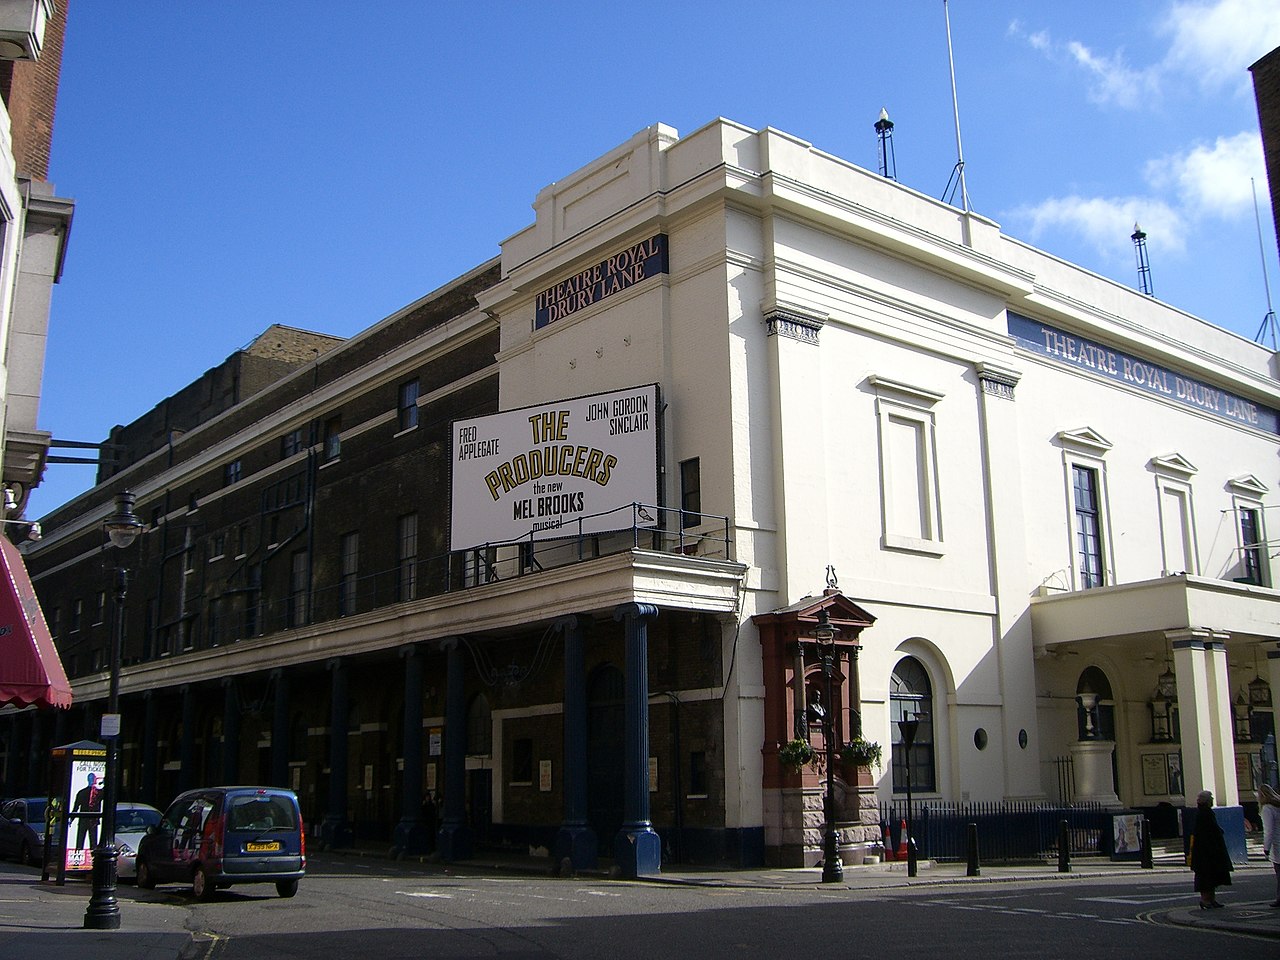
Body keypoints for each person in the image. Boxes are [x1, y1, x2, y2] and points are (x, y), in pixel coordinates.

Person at [1190, 789, 1232, 909]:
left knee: (1212, 876)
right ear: (1207, 801)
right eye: (1211, 799)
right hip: (1206, 852)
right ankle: (1205, 900)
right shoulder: (1204, 813)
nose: (1213, 800)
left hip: (1209, 851)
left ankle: (1211, 899)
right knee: (1206, 877)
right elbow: (1206, 833)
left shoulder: (1206, 812)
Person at [1260, 783, 1280, 909]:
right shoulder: (1278, 806)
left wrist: (1266, 848)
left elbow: (1269, 831)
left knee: (1279, 874)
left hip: (1278, 845)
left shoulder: (1267, 808)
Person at [72, 772, 102, 850]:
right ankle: (82, 853)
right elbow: (76, 807)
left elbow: (76, 808)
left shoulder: (83, 792)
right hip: (91, 819)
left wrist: (71, 819)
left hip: (85, 819)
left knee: (82, 840)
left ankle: (79, 852)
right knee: (91, 841)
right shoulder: (98, 793)